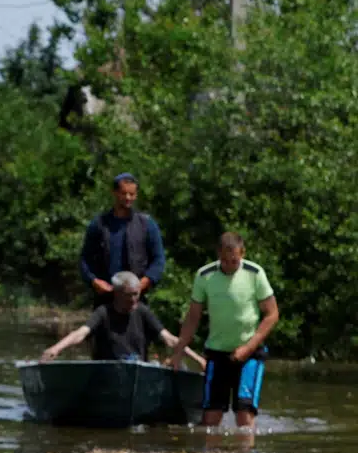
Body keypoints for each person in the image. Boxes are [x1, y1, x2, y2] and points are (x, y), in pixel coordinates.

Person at [169, 232, 280, 429]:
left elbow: (272, 314)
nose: (229, 265)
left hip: (250, 354)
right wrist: (178, 352)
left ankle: (245, 449)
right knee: (211, 418)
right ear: (218, 254)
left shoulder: (255, 273)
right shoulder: (205, 275)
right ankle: (212, 450)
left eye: (234, 261)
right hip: (217, 353)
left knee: (244, 415)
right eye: (225, 261)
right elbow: (193, 316)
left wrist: (248, 347)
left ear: (242, 253)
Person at [41, 272, 205, 368]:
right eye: (128, 295)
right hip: (108, 371)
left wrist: (198, 359)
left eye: (136, 294)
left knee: (179, 366)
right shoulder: (103, 312)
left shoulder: (142, 311)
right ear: (117, 294)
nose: (133, 299)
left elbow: (169, 339)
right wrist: (56, 348)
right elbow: (80, 334)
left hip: (138, 369)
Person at [80, 173, 167, 305]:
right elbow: (85, 259)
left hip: (137, 300)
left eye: (131, 194)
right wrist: (94, 281)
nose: (127, 198)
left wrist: (144, 283)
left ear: (136, 195)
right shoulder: (99, 224)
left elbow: (158, 259)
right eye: (123, 193)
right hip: (105, 298)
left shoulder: (147, 224)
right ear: (114, 193)